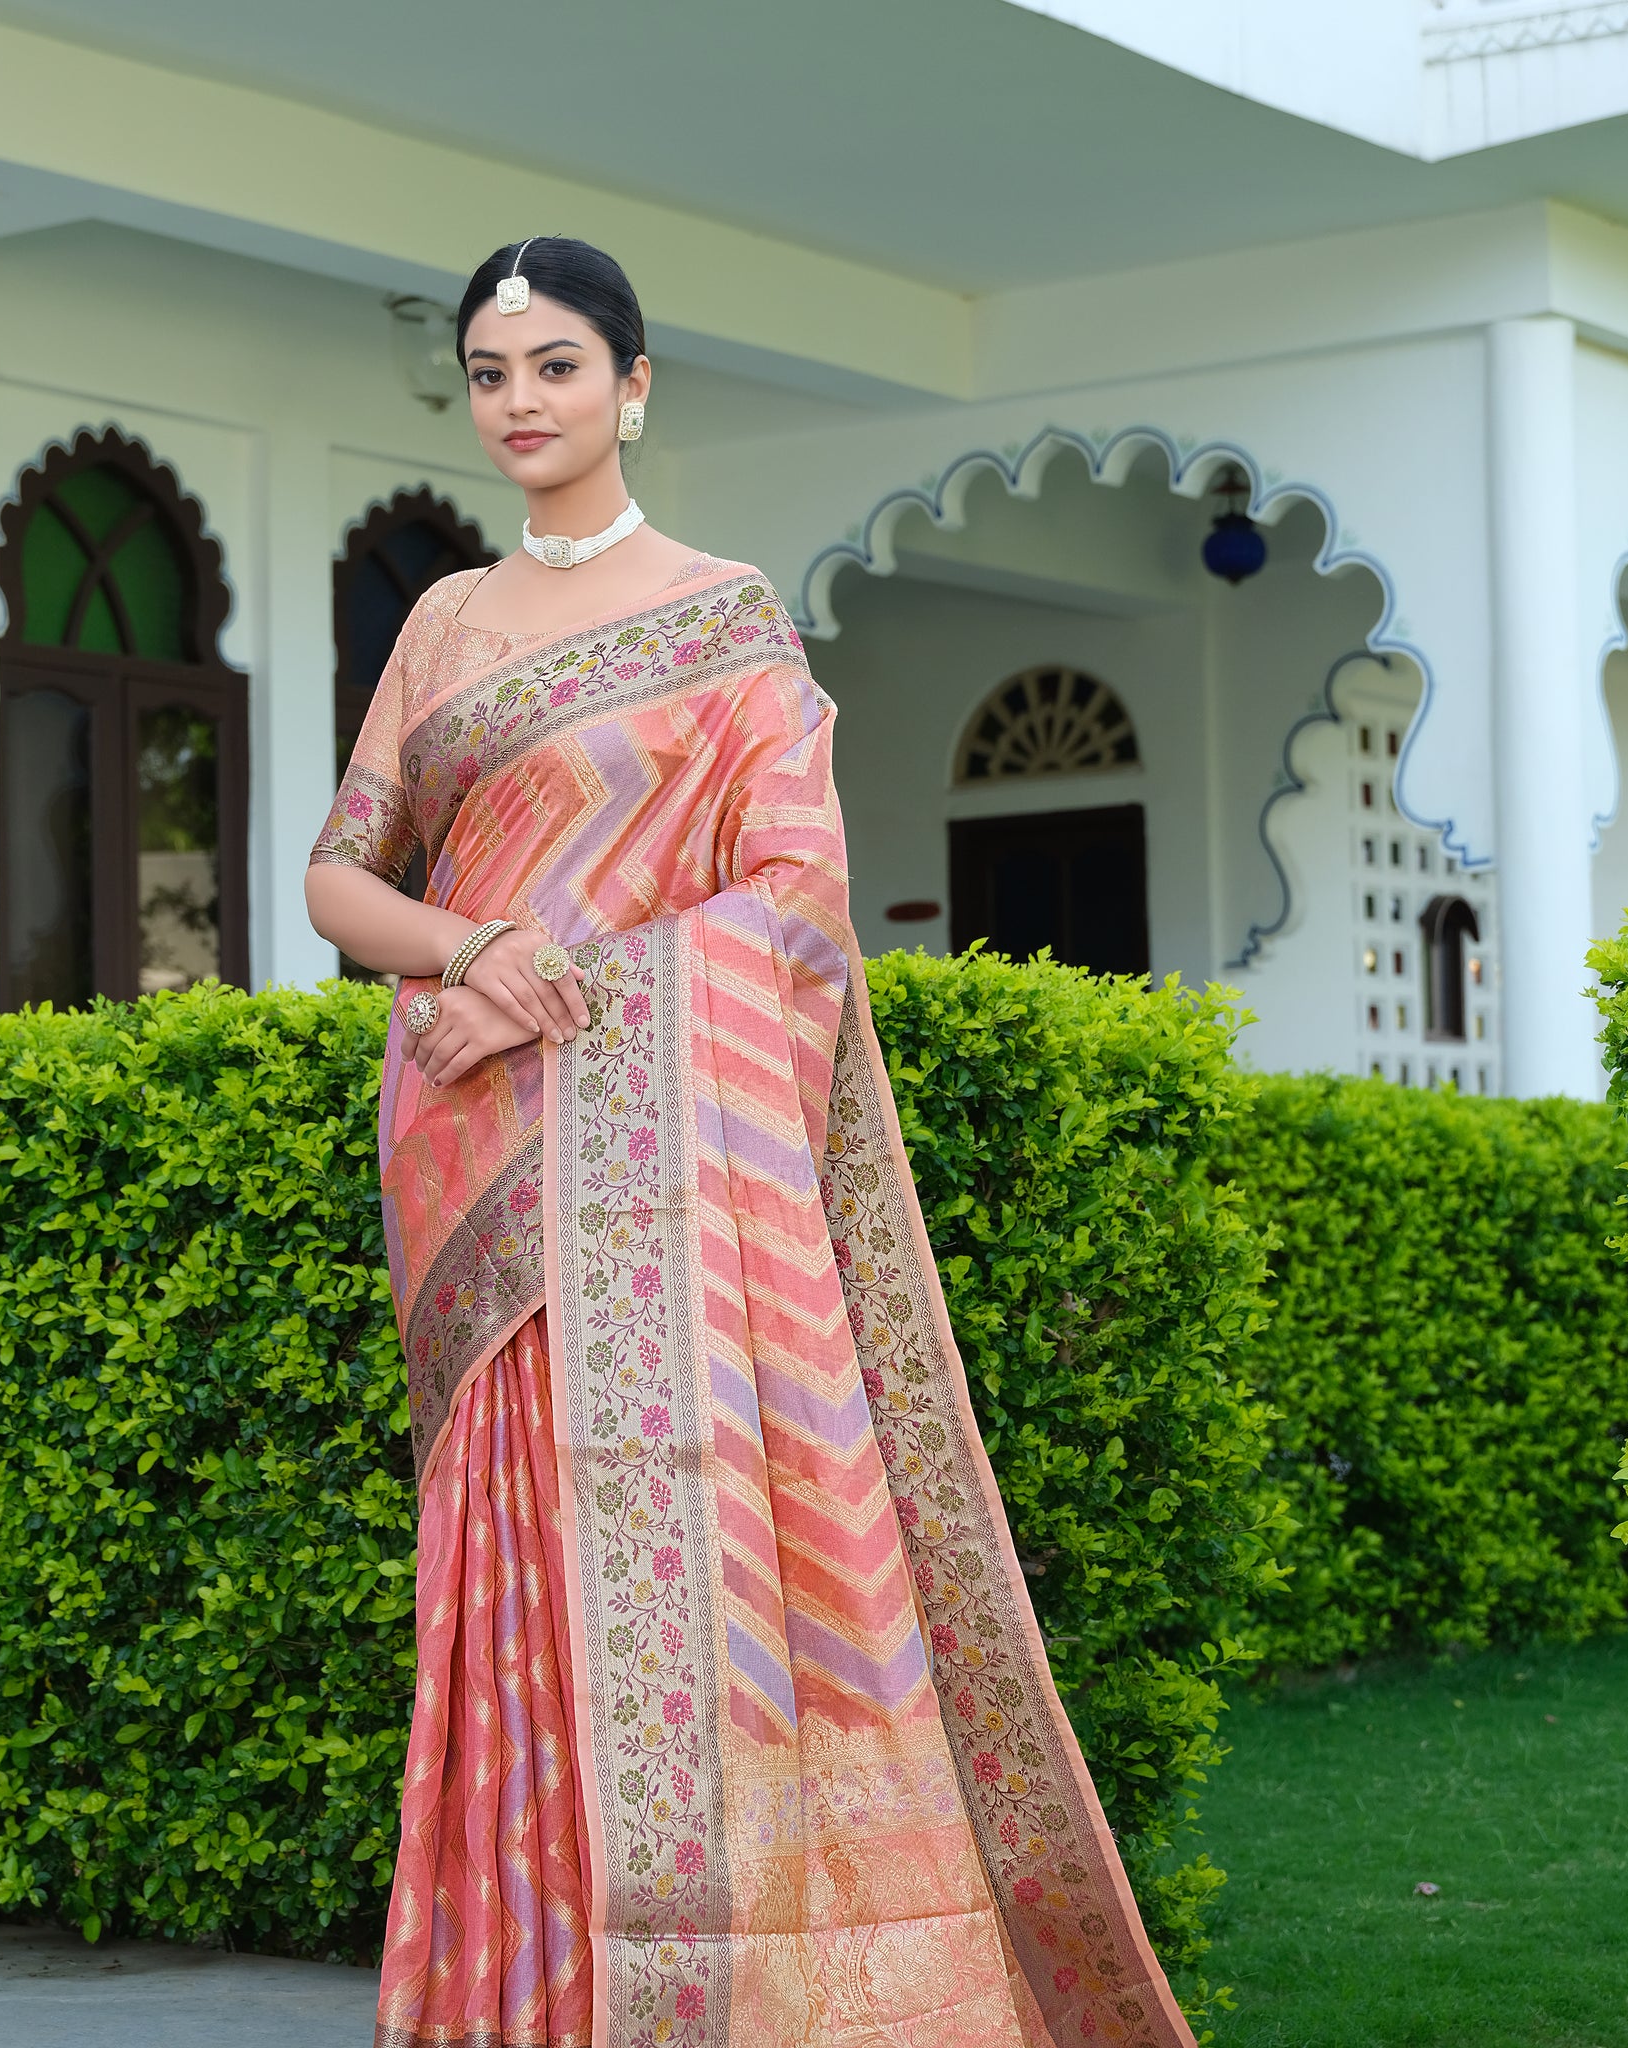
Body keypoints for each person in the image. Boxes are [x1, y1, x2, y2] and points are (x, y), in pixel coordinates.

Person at [306, 236, 1193, 2048]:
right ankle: (523, 2006)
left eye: (555, 366)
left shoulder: (724, 625)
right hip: (476, 1151)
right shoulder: (447, 625)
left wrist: (569, 987)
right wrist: (476, 955)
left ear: (634, 385)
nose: (520, 403)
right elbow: (341, 878)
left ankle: (725, 1998)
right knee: (523, 1579)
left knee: (682, 1571)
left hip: (654, 1158)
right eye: (488, 372)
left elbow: (792, 913)